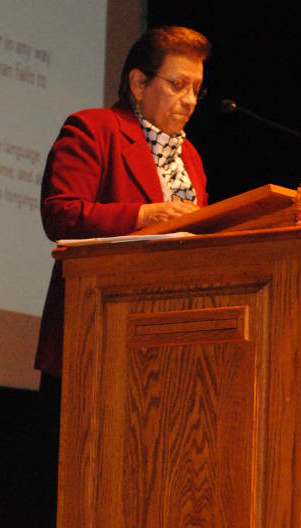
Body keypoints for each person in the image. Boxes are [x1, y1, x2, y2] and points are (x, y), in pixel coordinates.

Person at [34, 25, 211, 525]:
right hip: (96, 341)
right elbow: (61, 214)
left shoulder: (190, 159)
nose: (189, 100)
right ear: (138, 82)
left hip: (172, 349)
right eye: (177, 85)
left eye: (196, 88)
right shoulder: (94, 130)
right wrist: (141, 216)